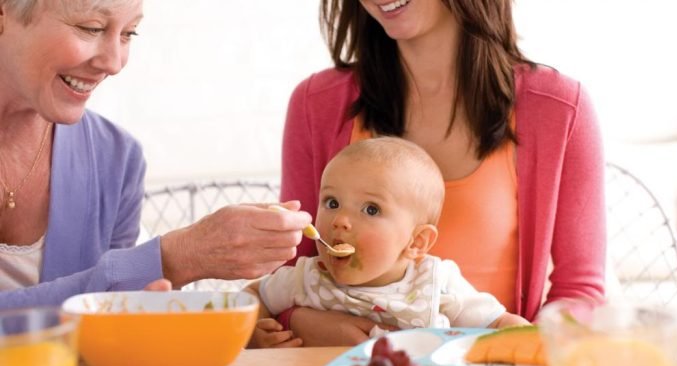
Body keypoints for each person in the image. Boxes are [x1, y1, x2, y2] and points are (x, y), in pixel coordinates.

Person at [279, 0, 605, 345]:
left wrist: (524, 350)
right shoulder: (316, 103)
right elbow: (289, 270)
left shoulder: (559, 107)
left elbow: (580, 290)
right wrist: (298, 320)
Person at [0, 0, 311, 310]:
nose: (114, 63)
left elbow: (108, 327)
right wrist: (172, 259)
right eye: (91, 28)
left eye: (128, 34)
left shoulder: (117, 160)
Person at [248, 138, 529, 348]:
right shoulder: (305, 278)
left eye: (371, 209)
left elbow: (500, 323)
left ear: (417, 242)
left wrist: (532, 343)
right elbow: (252, 297)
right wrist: (254, 335)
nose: (340, 220)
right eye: (332, 203)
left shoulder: (436, 283)